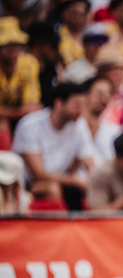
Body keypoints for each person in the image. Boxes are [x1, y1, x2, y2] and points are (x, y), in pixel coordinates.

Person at [12, 80, 94, 210]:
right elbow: (38, 174)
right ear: (58, 103)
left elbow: (90, 163)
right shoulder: (29, 126)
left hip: (64, 180)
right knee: (52, 188)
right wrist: (75, 180)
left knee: (94, 185)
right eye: (77, 105)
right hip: (28, 185)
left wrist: (94, 180)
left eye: (84, 106)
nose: (81, 111)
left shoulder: (80, 125)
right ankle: (60, 229)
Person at [0, 17, 42, 150]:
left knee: (34, 119)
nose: (13, 50)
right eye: (6, 45)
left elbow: (32, 107)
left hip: (19, 117)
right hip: (6, 120)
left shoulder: (29, 64)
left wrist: (6, 112)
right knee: (2, 123)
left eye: (16, 44)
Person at [77, 73, 119, 160]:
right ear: (85, 94)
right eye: (99, 94)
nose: (104, 99)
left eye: (108, 95)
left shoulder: (114, 130)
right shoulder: (71, 127)